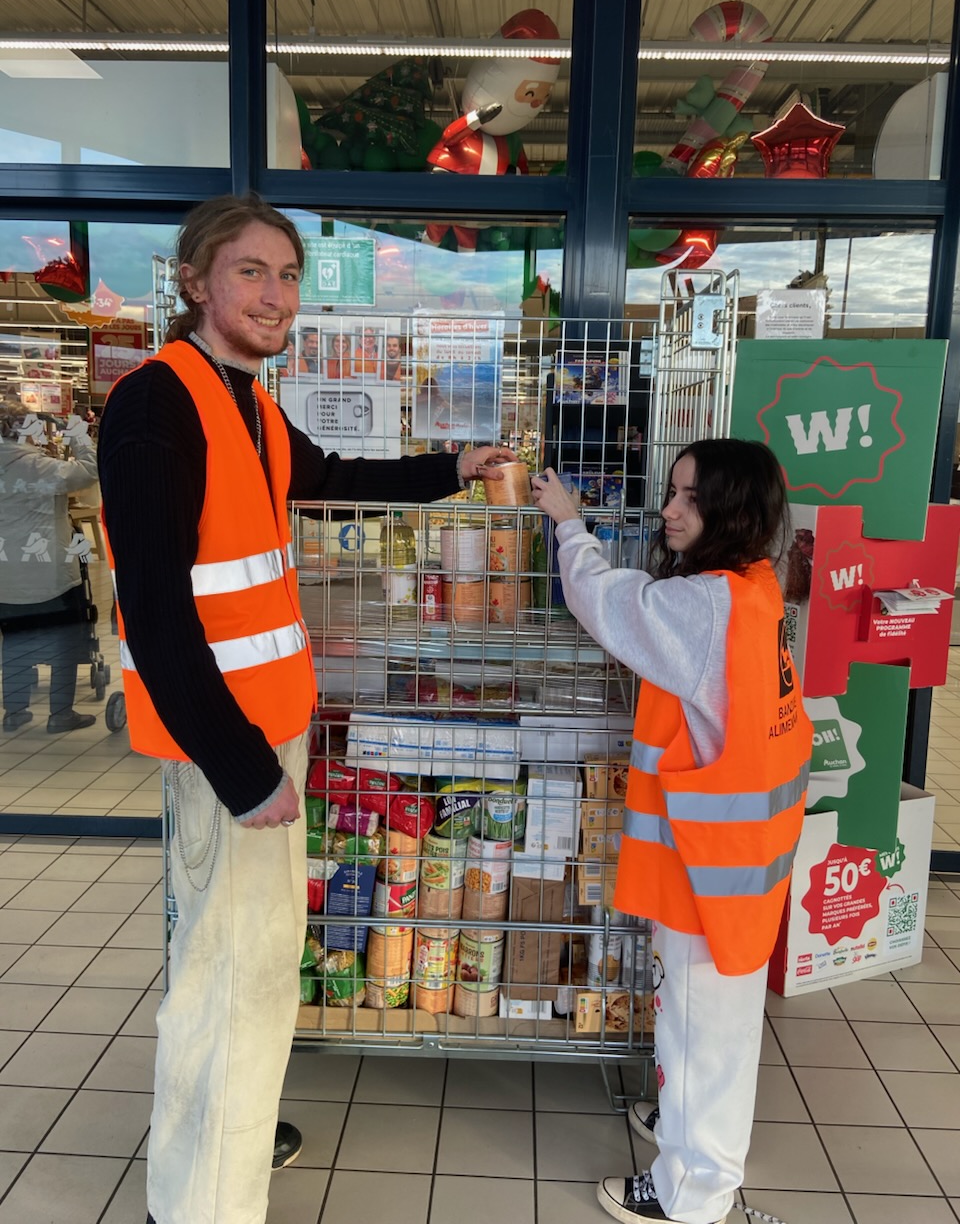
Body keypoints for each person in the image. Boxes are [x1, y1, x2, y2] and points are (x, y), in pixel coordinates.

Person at [97, 192, 514, 1224]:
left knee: (248, 956)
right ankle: (203, 1201)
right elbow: (153, 605)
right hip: (225, 746)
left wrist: (452, 468)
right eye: (251, 271)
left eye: (287, 275)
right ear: (197, 281)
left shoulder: (242, 395)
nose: (276, 293)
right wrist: (243, 769)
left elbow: (327, 476)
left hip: (262, 730)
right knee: (231, 971)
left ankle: (227, 1137)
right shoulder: (158, 401)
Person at [531, 439, 813, 1224]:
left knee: (699, 1035)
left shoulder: (704, 607)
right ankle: (690, 1128)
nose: (670, 510)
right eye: (673, 492)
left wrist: (568, 525)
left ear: (731, 510)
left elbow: (612, 604)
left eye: (691, 498)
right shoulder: (758, 586)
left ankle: (690, 1193)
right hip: (744, 859)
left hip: (705, 869)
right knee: (712, 1029)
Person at [0, 404, 99, 734]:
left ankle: (14, 712)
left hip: (5, 576)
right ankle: (60, 714)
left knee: (14, 641)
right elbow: (90, 469)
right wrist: (80, 434)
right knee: (64, 641)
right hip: (47, 574)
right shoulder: (37, 467)